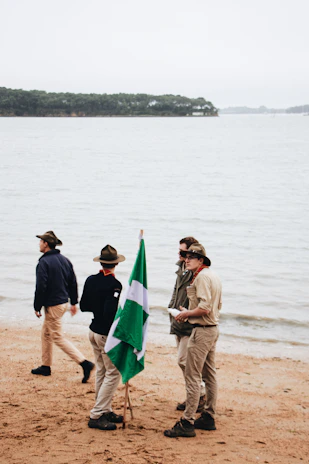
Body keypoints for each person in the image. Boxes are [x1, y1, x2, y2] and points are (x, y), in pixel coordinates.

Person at [164, 243, 222, 438]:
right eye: (186, 256)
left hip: (202, 329)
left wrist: (187, 314)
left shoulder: (202, 277)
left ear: (201, 260)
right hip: (212, 328)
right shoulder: (212, 276)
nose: (187, 259)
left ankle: (187, 421)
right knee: (209, 374)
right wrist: (190, 314)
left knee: (193, 375)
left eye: (191, 257)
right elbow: (216, 305)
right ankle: (208, 416)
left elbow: (204, 307)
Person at [32, 231, 94, 383]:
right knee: (46, 333)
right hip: (62, 302)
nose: (39, 243)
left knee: (57, 336)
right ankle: (45, 366)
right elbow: (72, 282)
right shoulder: (65, 260)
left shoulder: (44, 263)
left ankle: (84, 363)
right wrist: (73, 302)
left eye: (41, 241)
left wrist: (37, 306)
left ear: (46, 244)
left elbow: (41, 286)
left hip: (53, 305)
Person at [80, 244, 125, 431]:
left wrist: (98, 308)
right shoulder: (114, 284)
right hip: (105, 333)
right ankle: (97, 413)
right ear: (115, 264)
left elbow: (83, 305)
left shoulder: (91, 280)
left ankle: (105, 408)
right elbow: (109, 313)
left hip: (93, 329)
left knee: (102, 371)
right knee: (114, 373)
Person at [168, 236, 206, 413]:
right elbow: (176, 290)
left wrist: (188, 313)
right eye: (180, 251)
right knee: (184, 362)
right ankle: (195, 395)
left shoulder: (196, 272)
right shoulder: (181, 267)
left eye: (184, 252)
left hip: (189, 321)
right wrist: (171, 307)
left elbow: (198, 298)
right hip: (177, 317)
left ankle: (199, 394)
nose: (181, 255)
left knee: (185, 362)